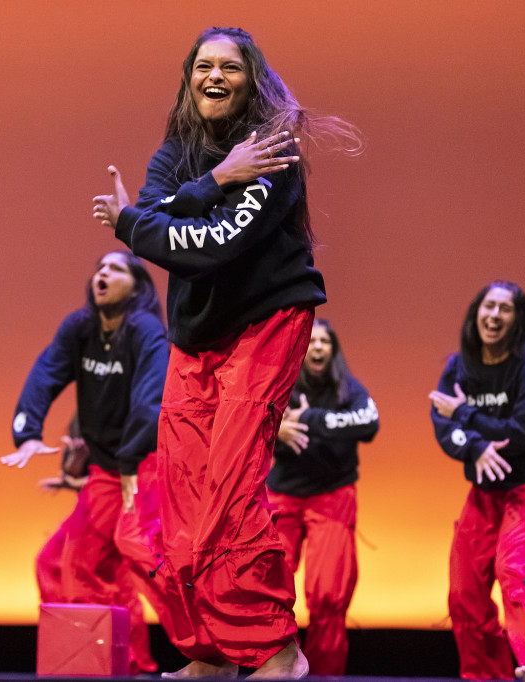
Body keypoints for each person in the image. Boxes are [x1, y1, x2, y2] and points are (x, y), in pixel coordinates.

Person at [93, 26, 356, 679]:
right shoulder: (177, 151)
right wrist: (212, 178)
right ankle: (207, 649)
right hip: (197, 335)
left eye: (228, 67)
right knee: (180, 496)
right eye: (202, 65)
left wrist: (143, 221)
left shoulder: (272, 150)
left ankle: (275, 649)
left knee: (230, 492)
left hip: (263, 324)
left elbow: (202, 244)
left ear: (252, 79)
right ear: (189, 79)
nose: (214, 76)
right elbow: (154, 229)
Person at [1, 250, 174, 662]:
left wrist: (131, 458)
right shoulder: (80, 328)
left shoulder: (146, 330)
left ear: (138, 286)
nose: (103, 274)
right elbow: (47, 372)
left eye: (115, 269)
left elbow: (150, 401)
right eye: (99, 268)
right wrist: (27, 432)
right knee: (67, 565)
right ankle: (100, 663)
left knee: (135, 551)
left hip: (145, 464)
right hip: (107, 470)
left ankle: (208, 642)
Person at [428, 281, 525, 682]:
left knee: (514, 569)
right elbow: (443, 423)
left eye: (505, 309)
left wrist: (468, 416)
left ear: (517, 320)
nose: (494, 315)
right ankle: (485, 676)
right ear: (476, 313)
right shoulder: (458, 367)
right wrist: (475, 447)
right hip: (486, 490)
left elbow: (521, 434)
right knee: (463, 591)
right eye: (488, 306)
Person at [267, 319, 379, 676]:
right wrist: (277, 430)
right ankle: (274, 667)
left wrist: (312, 419)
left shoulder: (348, 389)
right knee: (269, 584)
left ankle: (323, 675)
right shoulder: (278, 380)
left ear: (333, 350)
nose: (317, 347)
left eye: (325, 341)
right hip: (283, 496)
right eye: (311, 340)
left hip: (332, 498)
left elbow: (369, 422)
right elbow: (247, 419)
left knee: (329, 593)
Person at [33, 417, 159, 674]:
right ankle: (74, 643)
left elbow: (124, 478)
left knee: (103, 575)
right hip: (88, 504)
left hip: (117, 502)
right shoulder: (82, 419)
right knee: (49, 562)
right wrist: (77, 459)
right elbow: (71, 473)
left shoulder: (129, 416)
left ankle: (129, 659)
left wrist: (81, 482)